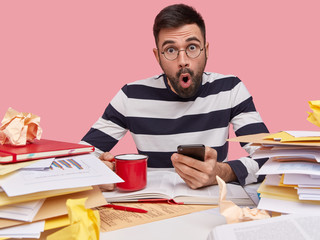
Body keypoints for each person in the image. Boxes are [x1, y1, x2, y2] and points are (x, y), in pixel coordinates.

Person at [81, 3, 268, 191]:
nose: (183, 61)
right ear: (158, 56)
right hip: (152, 207)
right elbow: (77, 159)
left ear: (207, 50)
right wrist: (100, 171)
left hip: (213, 206)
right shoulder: (131, 96)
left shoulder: (230, 89)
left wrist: (222, 172)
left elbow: (272, 158)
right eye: (171, 50)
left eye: (192, 47)